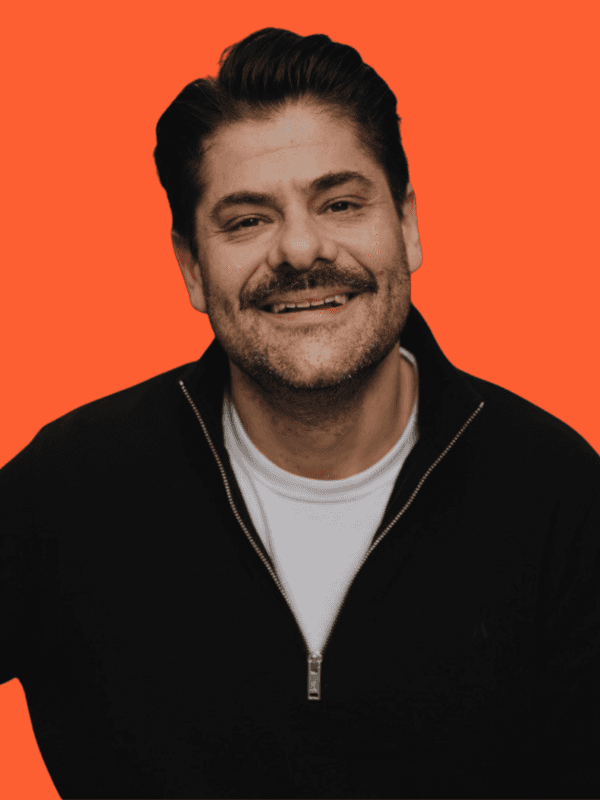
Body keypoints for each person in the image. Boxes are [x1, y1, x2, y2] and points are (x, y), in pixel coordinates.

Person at [1, 26, 599, 800]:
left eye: (342, 202)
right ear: (190, 264)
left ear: (408, 225)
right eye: (247, 220)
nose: (300, 248)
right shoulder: (73, 484)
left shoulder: (557, 492)